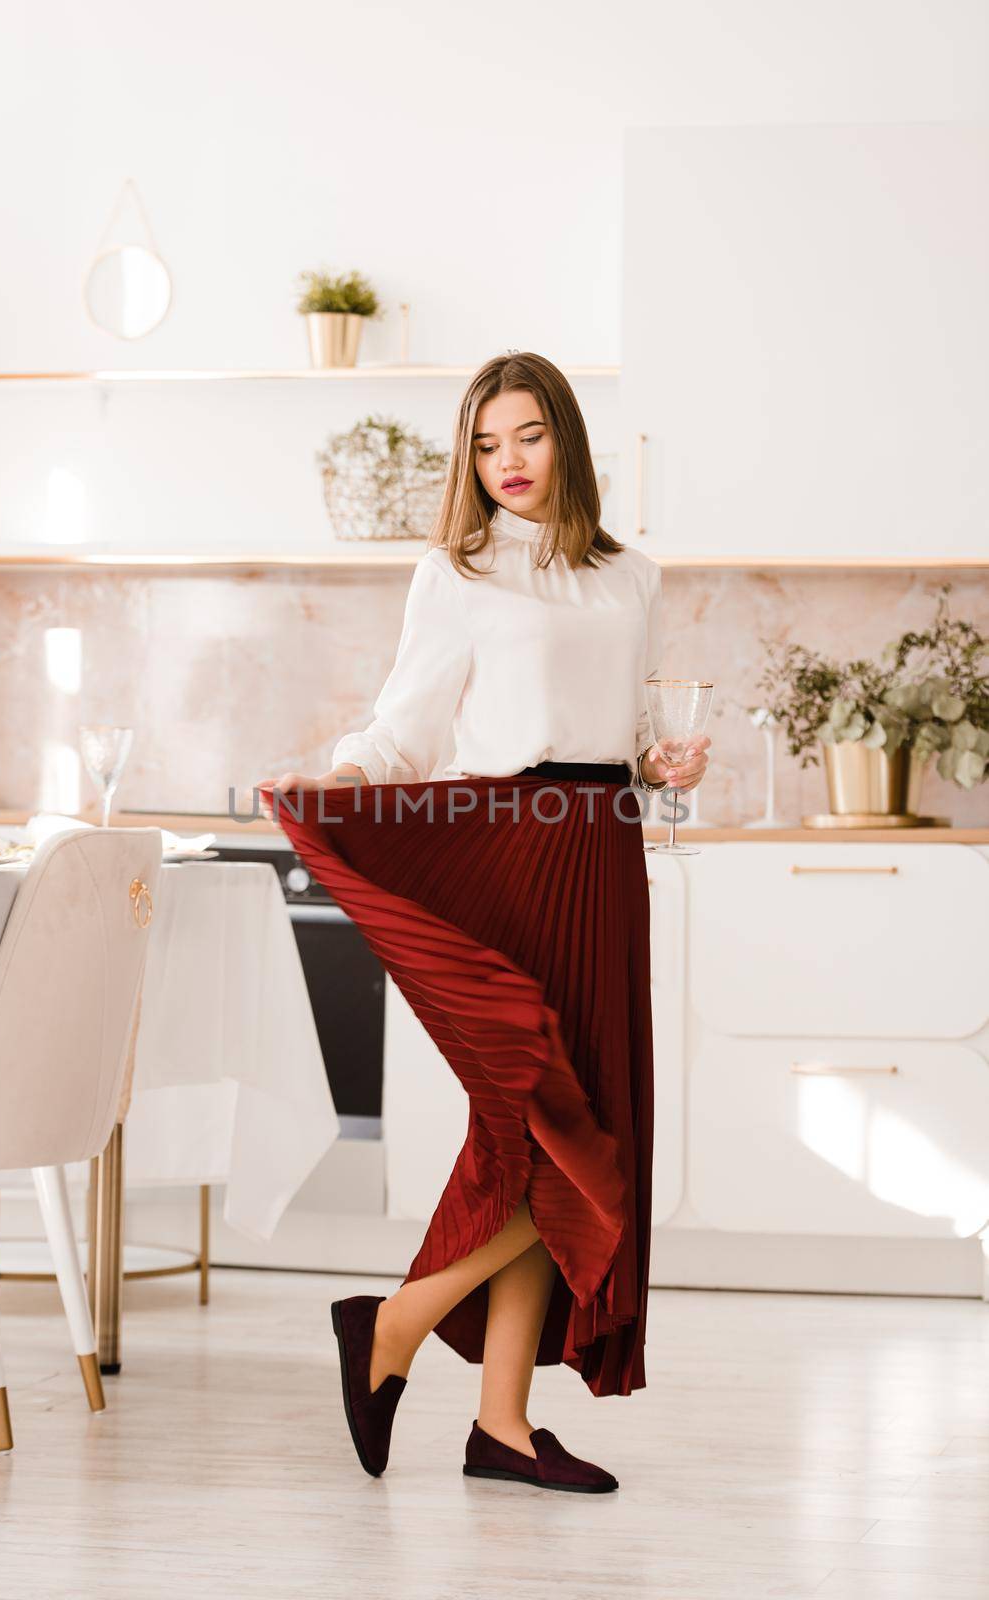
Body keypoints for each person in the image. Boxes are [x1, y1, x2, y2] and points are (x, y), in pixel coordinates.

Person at [262, 351, 710, 1495]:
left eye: (528, 436)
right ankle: (395, 1325)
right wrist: (340, 788)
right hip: (513, 849)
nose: (506, 462)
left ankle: (501, 1424)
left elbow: (637, 725)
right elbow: (407, 725)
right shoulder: (454, 573)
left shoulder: (631, 576)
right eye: (484, 442)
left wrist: (666, 761)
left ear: (568, 439)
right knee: (552, 1134)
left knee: (560, 1131)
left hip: (606, 847)